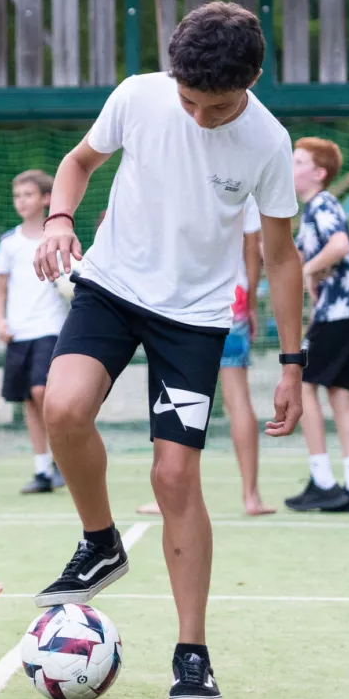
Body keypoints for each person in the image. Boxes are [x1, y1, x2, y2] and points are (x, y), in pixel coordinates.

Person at [31, 1, 305, 699]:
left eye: (214, 108)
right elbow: (78, 161)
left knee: (175, 474)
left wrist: (294, 362)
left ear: (250, 82)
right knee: (61, 407)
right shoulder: (139, 94)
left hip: (195, 317)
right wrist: (60, 217)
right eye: (188, 100)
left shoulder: (269, 142)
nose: (198, 117)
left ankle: (192, 653)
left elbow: (280, 256)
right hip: (112, 287)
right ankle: (101, 540)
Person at [138, 196, 275, 517]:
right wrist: (251, 301)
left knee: (173, 394)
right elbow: (252, 249)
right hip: (231, 297)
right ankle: (251, 496)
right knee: (237, 397)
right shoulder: (244, 181)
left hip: (181, 298)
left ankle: (167, 496)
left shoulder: (176, 173)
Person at [284, 137, 349, 513]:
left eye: (299, 162)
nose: (292, 168)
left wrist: (307, 269)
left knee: (303, 384)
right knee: (340, 393)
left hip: (343, 310)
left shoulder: (322, 204)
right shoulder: (314, 210)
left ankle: (323, 481)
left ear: (318, 173)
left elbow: (339, 244)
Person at [0, 170, 69, 494]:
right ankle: (42, 470)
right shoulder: (9, 243)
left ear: (46, 199)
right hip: (19, 332)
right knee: (28, 399)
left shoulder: (59, 240)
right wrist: (0, 322)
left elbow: (71, 285)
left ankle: (63, 461)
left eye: (28, 194)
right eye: (17, 196)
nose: (21, 201)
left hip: (51, 329)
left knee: (42, 391)